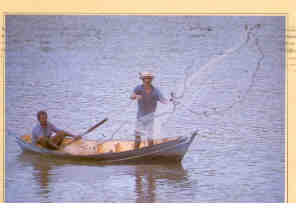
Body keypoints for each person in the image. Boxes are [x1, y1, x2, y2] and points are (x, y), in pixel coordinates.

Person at [130, 72, 168, 148]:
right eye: (146, 78)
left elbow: (163, 100)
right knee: (137, 135)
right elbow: (131, 96)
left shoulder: (156, 90)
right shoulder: (138, 88)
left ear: (151, 80)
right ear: (143, 80)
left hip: (151, 116)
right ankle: (135, 150)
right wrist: (136, 96)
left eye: (149, 78)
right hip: (140, 116)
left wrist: (169, 101)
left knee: (150, 136)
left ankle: (150, 150)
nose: (147, 80)